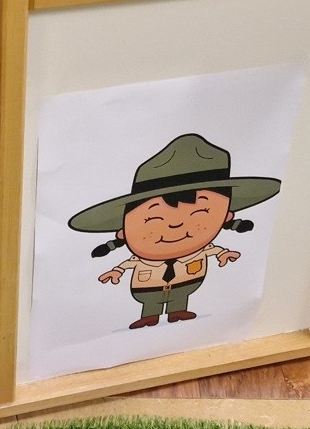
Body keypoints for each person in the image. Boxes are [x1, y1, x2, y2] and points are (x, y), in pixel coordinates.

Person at [68, 133, 281, 329]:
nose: (175, 225)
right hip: (146, 287)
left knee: (181, 295)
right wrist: (117, 271)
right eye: (154, 219)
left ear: (226, 216)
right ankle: (149, 315)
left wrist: (224, 254)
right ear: (122, 231)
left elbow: (212, 250)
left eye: (199, 213)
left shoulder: (200, 251)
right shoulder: (142, 261)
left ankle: (177, 311)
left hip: (188, 280)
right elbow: (128, 264)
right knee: (151, 300)